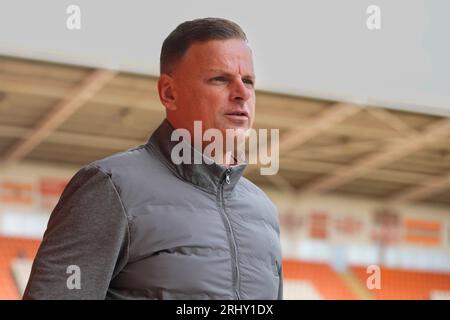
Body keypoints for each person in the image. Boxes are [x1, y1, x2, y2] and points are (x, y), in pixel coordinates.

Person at [23, 17, 283, 300]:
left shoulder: (263, 212)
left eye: (249, 81)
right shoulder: (110, 188)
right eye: (220, 79)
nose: (242, 94)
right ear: (169, 93)